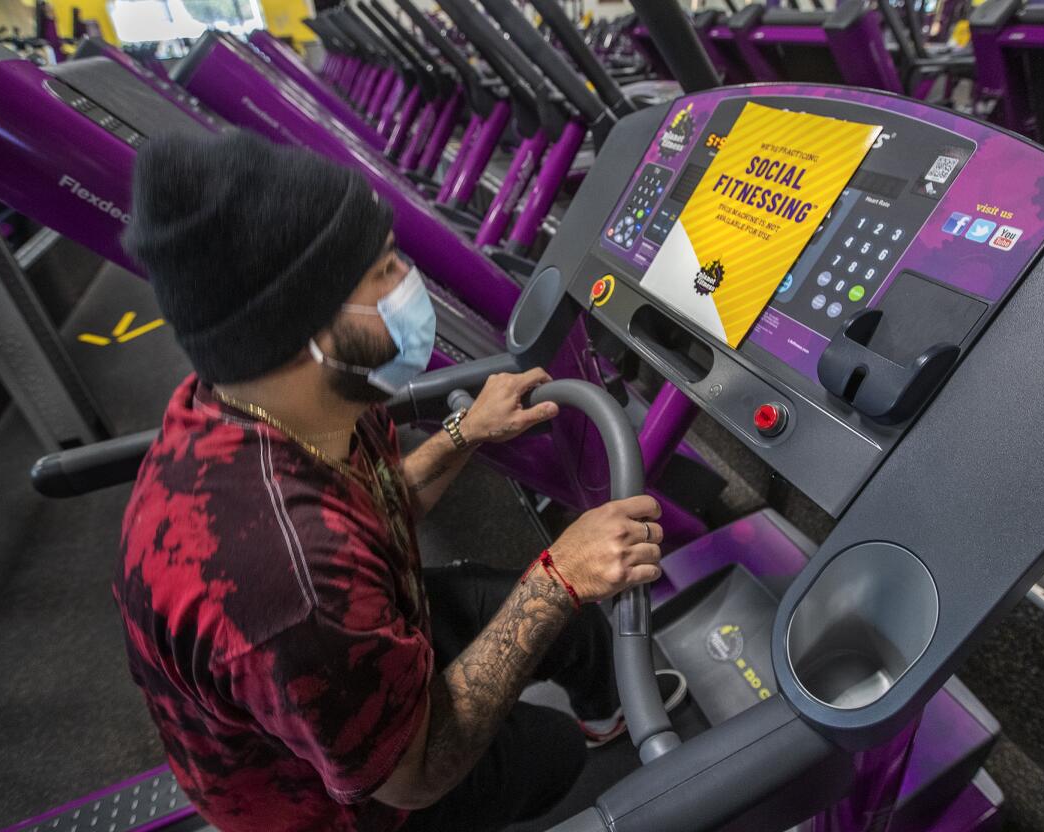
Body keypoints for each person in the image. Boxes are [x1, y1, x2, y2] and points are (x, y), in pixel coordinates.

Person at [114, 131, 667, 832]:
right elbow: (412, 779)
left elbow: (374, 508)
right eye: (383, 271)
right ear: (304, 329)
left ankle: (596, 704)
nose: (409, 280)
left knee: (578, 633)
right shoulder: (285, 580)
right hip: (348, 803)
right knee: (549, 754)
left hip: (360, 628)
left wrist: (467, 434)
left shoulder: (293, 404)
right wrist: (557, 577)